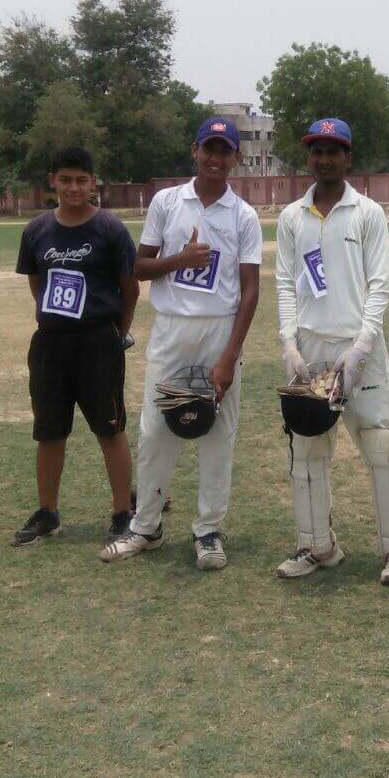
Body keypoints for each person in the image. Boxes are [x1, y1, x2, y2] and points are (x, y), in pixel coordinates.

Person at [100, 118, 262, 570]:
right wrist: (181, 260)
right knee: (155, 431)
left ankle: (208, 531)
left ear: (236, 158)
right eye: (209, 148)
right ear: (195, 150)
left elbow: (250, 290)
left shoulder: (243, 215)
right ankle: (146, 527)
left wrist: (230, 355)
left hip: (218, 332)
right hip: (172, 330)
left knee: (218, 435)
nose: (216, 158)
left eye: (225, 150)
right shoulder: (167, 202)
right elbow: (139, 267)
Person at [272, 117, 389, 583]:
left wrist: (362, 345)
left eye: (333, 151)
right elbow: (285, 283)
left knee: (378, 444)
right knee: (307, 446)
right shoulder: (292, 217)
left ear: (348, 157)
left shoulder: (367, 213)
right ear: (309, 157)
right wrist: (289, 343)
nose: (324, 159)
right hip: (311, 347)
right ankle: (317, 545)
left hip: (359, 346)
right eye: (317, 151)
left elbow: (379, 284)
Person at [11, 147, 139, 547]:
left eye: (82, 180)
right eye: (65, 180)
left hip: (99, 341)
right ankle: (47, 513)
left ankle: (122, 512)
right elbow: (37, 283)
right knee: (49, 431)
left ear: (93, 183)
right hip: (51, 344)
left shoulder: (110, 229)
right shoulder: (36, 231)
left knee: (110, 428)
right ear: (53, 181)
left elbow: (130, 289)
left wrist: (117, 332)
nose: (73, 188)